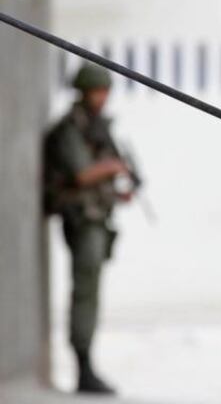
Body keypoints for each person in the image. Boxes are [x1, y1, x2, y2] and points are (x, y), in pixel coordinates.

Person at [43, 64, 135, 395]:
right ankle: (83, 366)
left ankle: (86, 364)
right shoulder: (69, 128)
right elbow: (81, 174)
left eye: (105, 91)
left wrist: (119, 188)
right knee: (85, 291)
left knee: (91, 290)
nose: (102, 97)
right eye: (97, 90)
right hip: (80, 219)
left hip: (97, 217)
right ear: (83, 91)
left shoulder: (97, 127)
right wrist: (112, 167)